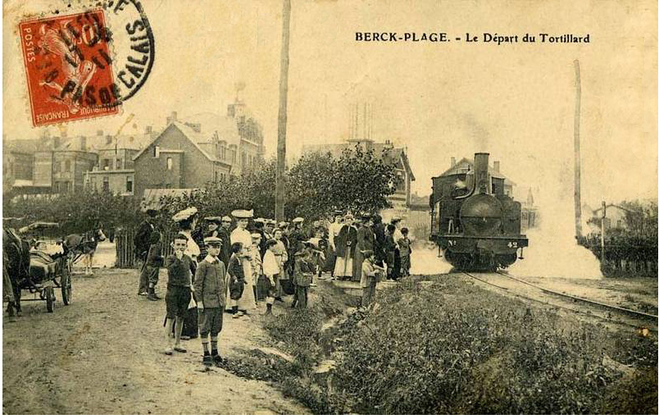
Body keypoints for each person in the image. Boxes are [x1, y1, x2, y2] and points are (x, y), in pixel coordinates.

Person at [194, 236, 227, 367]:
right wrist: (200, 301)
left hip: (219, 302)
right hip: (207, 302)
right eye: (214, 247)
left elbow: (223, 282)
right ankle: (206, 352)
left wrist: (223, 300)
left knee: (216, 327)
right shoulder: (203, 265)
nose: (217, 249)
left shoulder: (221, 264)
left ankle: (214, 351)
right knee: (204, 327)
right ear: (207, 248)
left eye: (218, 247)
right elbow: (197, 285)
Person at [164, 234, 194, 355]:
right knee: (171, 317)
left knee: (181, 317)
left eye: (183, 245)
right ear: (173, 245)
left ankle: (177, 343)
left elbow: (195, 271)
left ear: (186, 246)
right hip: (173, 290)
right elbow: (170, 270)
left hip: (185, 290)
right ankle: (168, 344)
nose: (180, 247)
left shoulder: (188, 259)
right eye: (178, 244)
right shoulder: (170, 258)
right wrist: (178, 259)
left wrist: (193, 285)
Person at [174, 207, 201, 340]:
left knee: (191, 298)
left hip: (191, 268)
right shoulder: (183, 239)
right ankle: (184, 330)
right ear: (190, 223)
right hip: (186, 270)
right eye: (194, 221)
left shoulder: (188, 237)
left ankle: (187, 329)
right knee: (187, 298)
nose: (195, 224)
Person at [229, 209, 257, 315]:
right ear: (237, 222)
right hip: (238, 257)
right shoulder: (235, 232)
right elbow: (234, 247)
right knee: (237, 279)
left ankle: (244, 305)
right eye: (242, 221)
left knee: (246, 280)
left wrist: (250, 255)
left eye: (246, 221)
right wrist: (243, 254)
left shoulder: (247, 233)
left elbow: (249, 246)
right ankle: (234, 305)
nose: (244, 223)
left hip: (245, 259)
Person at [136, 209, 158, 296]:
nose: (153, 218)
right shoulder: (143, 226)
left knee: (150, 269)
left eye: (154, 217)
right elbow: (137, 238)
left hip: (150, 250)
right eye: (151, 217)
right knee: (145, 269)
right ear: (147, 217)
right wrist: (143, 250)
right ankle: (142, 289)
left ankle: (148, 288)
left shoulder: (152, 225)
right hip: (145, 250)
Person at [333, 213, 358, 280]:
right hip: (343, 247)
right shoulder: (343, 228)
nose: (349, 222)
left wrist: (351, 242)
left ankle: (348, 274)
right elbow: (340, 238)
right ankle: (340, 274)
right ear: (345, 221)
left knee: (349, 260)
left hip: (350, 247)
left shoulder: (354, 229)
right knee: (342, 260)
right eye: (347, 220)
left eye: (350, 220)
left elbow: (355, 238)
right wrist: (345, 242)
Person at [353, 214, 375, 283]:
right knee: (360, 263)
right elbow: (360, 240)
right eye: (368, 221)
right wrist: (363, 249)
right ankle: (358, 278)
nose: (369, 223)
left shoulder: (368, 228)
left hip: (368, 247)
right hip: (361, 248)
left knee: (366, 263)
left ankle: (366, 277)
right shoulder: (361, 229)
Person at [292, 242, 315, 309]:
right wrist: (303, 274)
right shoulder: (298, 262)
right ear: (304, 256)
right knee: (300, 293)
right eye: (307, 257)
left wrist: (309, 274)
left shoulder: (307, 263)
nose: (308, 258)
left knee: (302, 293)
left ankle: (298, 305)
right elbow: (297, 271)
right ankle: (301, 307)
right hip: (299, 280)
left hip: (304, 280)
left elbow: (311, 271)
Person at [227, 242, 246, 319]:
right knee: (234, 295)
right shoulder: (233, 258)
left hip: (240, 279)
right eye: (242, 248)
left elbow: (241, 269)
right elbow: (230, 270)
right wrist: (234, 278)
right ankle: (234, 312)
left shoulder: (239, 257)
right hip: (235, 280)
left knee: (238, 294)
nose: (243, 250)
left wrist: (243, 278)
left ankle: (236, 310)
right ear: (238, 250)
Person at [262, 239, 279, 315]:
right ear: (270, 246)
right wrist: (271, 279)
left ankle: (269, 310)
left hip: (273, 275)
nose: (275, 247)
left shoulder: (270, 254)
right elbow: (268, 268)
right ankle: (268, 310)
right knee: (271, 293)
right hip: (270, 276)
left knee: (271, 293)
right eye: (274, 246)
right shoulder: (268, 255)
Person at [145, 231, 163, 301]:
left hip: (149, 264)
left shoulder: (152, 245)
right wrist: (161, 257)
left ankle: (152, 293)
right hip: (153, 265)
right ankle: (150, 294)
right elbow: (154, 256)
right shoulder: (156, 246)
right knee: (153, 280)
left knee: (152, 279)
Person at [272, 228, 289, 300]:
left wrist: (283, 260)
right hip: (272, 259)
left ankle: (278, 295)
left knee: (279, 278)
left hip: (280, 259)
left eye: (280, 234)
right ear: (274, 234)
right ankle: (271, 294)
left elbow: (284, 252)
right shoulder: (271, 242)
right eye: (277, 234)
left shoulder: (281, 243)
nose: (279, 235)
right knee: (272, 277)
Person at [327, 211, 343, 275]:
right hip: (335, 240)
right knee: (333, 257)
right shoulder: (332, 225)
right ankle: (332, 272)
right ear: (335, 218)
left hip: (341, 241)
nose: (339, 219)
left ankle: (339, 273)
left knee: (340, 257)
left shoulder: (342, 225)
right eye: (337, 217)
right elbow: (331, 236)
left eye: (340, 217)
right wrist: (333, 245)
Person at [250, 232, 263, 304]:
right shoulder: (252, 248)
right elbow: (252, 258)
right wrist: (255, 267)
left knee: (255, 282)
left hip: (257, 267)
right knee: (253, 283)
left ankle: (254, 300)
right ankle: (253, 300)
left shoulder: (257, 248)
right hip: (253, 268)